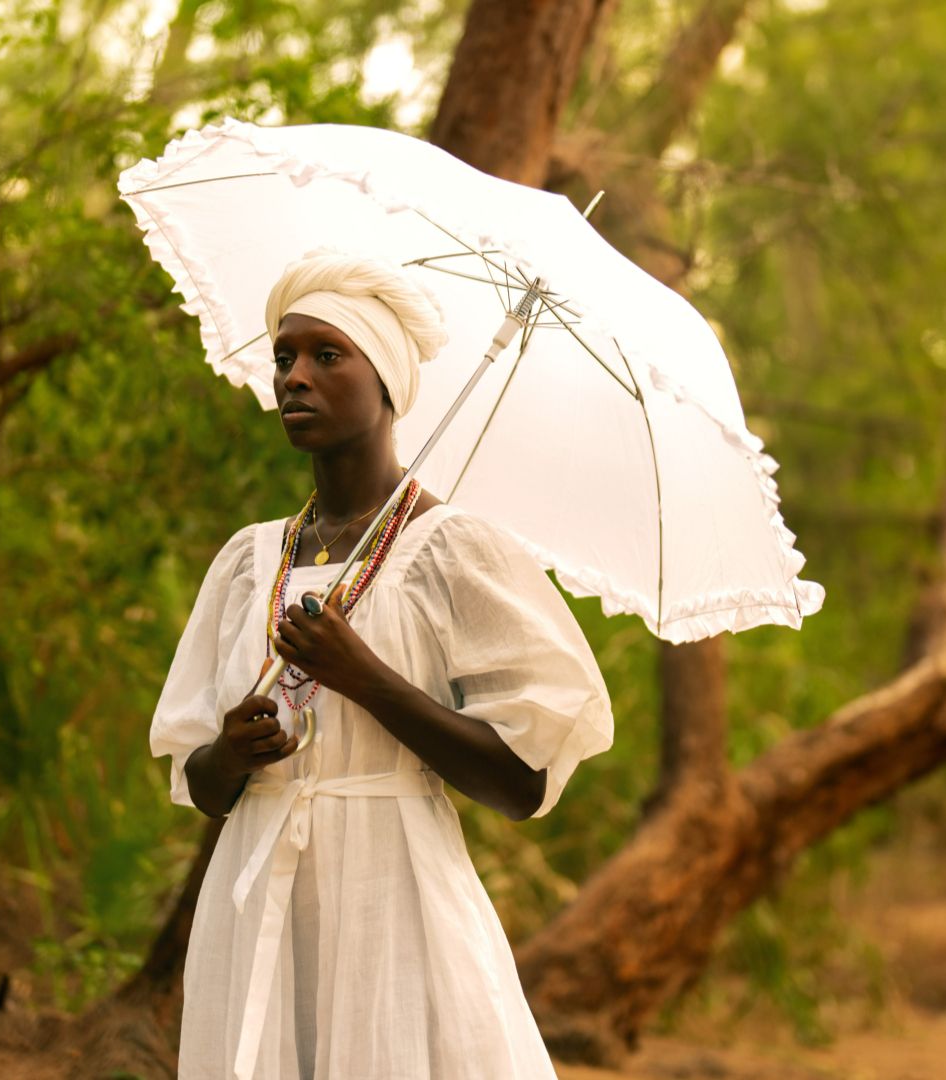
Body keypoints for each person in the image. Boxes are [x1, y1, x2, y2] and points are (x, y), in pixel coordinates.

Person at [148, 251, 615, 1079]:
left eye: (328, 356)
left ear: (387, 383)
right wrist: (231, 751)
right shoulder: (250, 560)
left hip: (393, 894)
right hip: (257, 902)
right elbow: (203, 786)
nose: (295, 376)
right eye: (285, 357)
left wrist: (365, 678)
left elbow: (521, 784)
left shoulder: (455, 552)